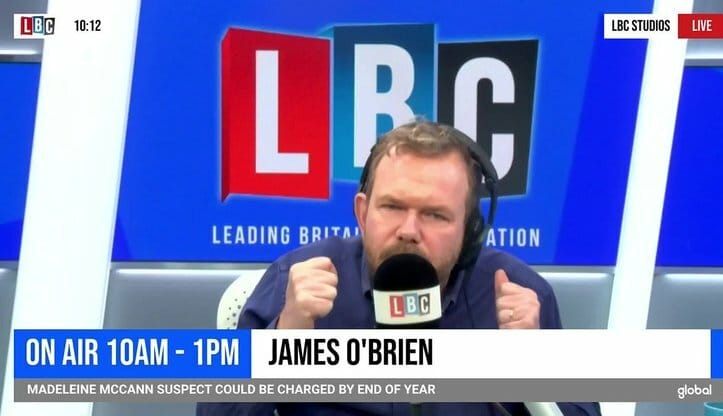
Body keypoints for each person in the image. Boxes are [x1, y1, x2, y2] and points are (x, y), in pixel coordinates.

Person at [197, 121, 601, 416]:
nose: (409, 230)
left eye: (435, 215)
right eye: (392, 207)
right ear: (362, 213)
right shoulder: (298, 279)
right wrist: (285, 338)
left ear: (469, 229)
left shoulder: (517, 294)